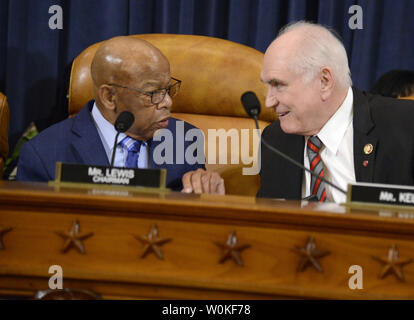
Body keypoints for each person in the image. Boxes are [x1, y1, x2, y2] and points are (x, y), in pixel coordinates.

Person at [17, 36, 225, 195]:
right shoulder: (44, 154)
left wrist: (207, 188)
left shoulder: (184, 140)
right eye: (153, 93)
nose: (168, 102)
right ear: (109, 97)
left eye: (168, 89)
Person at [257, 21, 414, 203]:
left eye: (279, 85)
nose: (269, 101)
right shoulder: (275, 141)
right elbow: (271, 224)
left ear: (324, 81)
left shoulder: (405, 125)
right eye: (268, 86)